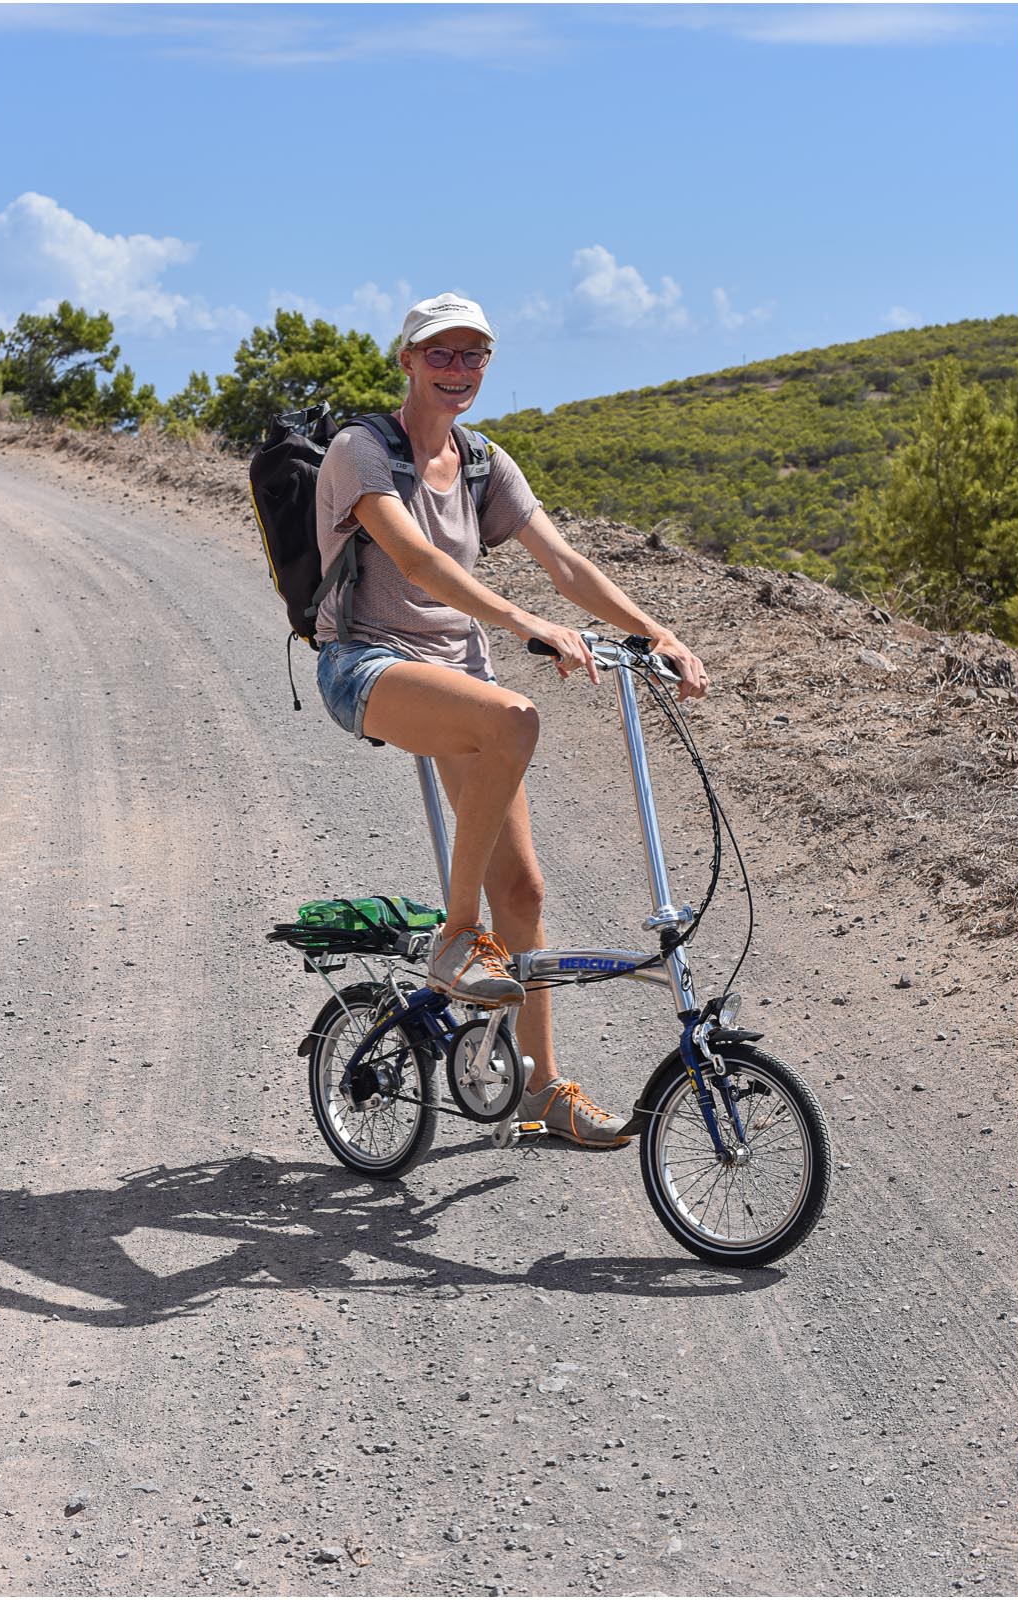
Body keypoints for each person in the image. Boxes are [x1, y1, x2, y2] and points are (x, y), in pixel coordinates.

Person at [312, 292, 710, 1149]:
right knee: (517, 718)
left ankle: (541, 1091)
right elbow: (414, 558)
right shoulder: (360, 450)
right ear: (407, 360)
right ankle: (457, 939)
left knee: (524, 892)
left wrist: (657, 633)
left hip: (459, 677)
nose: (458, 371)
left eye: (474, 357)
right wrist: (524, 625)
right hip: (368, 665)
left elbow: (564, 562)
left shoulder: (486, 462)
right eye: (441, 355)